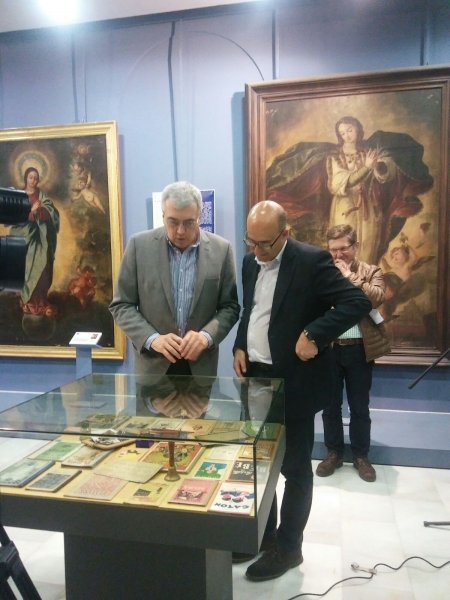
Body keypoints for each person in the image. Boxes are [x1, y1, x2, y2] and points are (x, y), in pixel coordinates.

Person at [233, 201, 371, 581]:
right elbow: (251, 311)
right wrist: (240, 345)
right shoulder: (249, 262)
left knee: (294, 469)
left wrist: (314, 333)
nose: (256, 251)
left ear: (285, 234)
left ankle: (288, 547)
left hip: (293, 382)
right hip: (256, 380)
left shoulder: (311, 261)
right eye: (250, 242)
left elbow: (356, 301)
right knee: (259, 465)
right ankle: (262, 535)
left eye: (264, 244)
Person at [109, 181, 240, 377]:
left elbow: (230, 307)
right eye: (173, 221)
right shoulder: (139, 246)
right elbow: (121, 305)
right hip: (152, 366)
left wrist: (206, 337)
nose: (180, 231)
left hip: (200, 367)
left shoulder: (222, 250)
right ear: (163, 216)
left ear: (199, 217)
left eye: (188, 222)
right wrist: (152, 339)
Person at [266, 116, 434, 264]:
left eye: (350, 130)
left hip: (369, 207)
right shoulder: (334, 156)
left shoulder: (369, 151)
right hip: (344, 206)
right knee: (342, 247)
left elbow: (385, 177)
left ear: (357, 130)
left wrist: (378, 166)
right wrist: (366, 168)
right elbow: (337, 185)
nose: (347, 135)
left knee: (367, 246)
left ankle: (363, 286)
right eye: (342, 133)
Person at [316, 224, 390, 483]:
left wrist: (349, 277)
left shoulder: (371, 271)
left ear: (355, 246)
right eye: (333, 250)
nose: (338, 255)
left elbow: (377, 298)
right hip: (330, 348)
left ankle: (361, 456)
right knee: (330, 405)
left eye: (343, 249)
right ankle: (334, 453)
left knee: (359, 406)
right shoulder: (324, 273)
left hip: (360, 349)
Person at [9, 167, 60, 316]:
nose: (33, 181)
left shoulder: (41, 196)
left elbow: (51, 212)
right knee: (27, 270)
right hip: (24, 238)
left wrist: (40, 210)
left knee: (42, 268)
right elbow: (14, 216)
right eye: (31, 177)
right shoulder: (18, 196)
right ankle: (28, 302)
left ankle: (41, 302)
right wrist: (32, 211)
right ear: (25, 178)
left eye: (36, 178)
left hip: (40, 238)